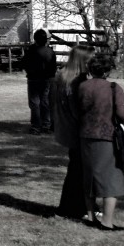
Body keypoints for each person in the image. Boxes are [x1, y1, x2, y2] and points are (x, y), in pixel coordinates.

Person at [78, 52, 124, 231]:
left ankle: (91, 216)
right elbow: (122, 113)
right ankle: (107, 222)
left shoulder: (82, 87)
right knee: (110, 177)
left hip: (85, 135)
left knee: (89, 176)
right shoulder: (114, 88)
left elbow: (77, 110)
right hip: (106, 136)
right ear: (108, 70)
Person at [52, 44, 94, 220]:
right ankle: (73, 208)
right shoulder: (77, 81)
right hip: (79, 130)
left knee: (76, 169)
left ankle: (71, 207)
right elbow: (78, 109)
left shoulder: (62, 76)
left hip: (67, 128)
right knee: (80, 170)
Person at [23, 28, 57, 134]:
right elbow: (53, 68)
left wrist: (29, 71)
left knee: (34, 103)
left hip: (33, 79)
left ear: (35, 39)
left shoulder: (31, 51)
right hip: (46, 79)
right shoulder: (50, 52)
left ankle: (36, 126)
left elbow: (24, 63)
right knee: (45, 101)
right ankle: (46, 125)